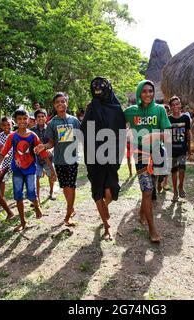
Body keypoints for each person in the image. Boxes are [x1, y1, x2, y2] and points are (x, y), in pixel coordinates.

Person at [124, 80, 171, 243]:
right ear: (138, 93)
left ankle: (142, 213)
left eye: (150, 91)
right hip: (140, 154)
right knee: (147, 190)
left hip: (157, 153)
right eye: (144, 91)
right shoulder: (130, 111)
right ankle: (152, 229)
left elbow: (169, 135)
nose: (148, 94)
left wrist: (154, 136)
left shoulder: (159, 110)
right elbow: (117, 124)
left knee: (152, 184)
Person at [80, 77, 126, 241]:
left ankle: (103, 207)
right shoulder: (92, 107)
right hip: (94, 156)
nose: (98, 89)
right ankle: (107, 227)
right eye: (95, 87)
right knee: (98, 190)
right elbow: (83, 131)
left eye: (101, 86)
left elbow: (121, 132)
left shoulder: (116, 108)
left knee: (111, 191)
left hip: (112, 155)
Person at [0, 109, 55, 232]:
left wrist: (51, 169)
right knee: (18, 196)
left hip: (30, 169)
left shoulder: (32, 136)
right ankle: (23, 222)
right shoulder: (12, 136)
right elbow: (4, 151)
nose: (22, 121)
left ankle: (37, 205)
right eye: (19, 119)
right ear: (15, 121)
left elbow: (43, 152)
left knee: (31, 193)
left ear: (28, 119)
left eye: (25, 119)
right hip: (17, 170)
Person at [41, 92, 81, 227]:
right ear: (54, 105)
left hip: (72, 160)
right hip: (58, 160)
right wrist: (43, 146)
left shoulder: (74, 121)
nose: (60, 104)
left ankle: (68, 216)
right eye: (57, 102)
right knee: (65, 187)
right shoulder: (52, 123)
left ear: (67, 103)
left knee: (71, 186)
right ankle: (72, 208)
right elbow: (51, 143)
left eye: (62, 101)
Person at [168, 96, 192, 202]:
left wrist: (189, 147)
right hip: (172, 149)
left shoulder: (185, 118)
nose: (175, 106)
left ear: (180, 104)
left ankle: (181, 186)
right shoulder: (168, 119)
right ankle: (175, 192)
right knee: (174, 170)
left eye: (177, 104)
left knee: (182, 169)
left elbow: (188, 133)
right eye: (173, 105)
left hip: (182, 148)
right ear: (170, 107)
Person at [31, 109, 56, 202]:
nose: (41, 118)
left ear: (46, 118)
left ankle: (51, 192)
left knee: (51, 175)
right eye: (38, 117)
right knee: (36, 177)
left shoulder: (50, 128)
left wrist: (51, 149)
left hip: (48, 158)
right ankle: (37, 197)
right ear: (35, 119)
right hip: (36, 158)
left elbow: (54, 142)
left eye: (42, 116)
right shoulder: (31, 130)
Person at [0, 117, 13, 199]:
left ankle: (18, 196)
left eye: (8, 124)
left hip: (14, 160)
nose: (6, 126)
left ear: (12, 125)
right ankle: (2, 198)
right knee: (2, 179)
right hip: (4, 161)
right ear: (1, 126)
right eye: (4, 125)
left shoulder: (15, 134)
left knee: (17, 178)